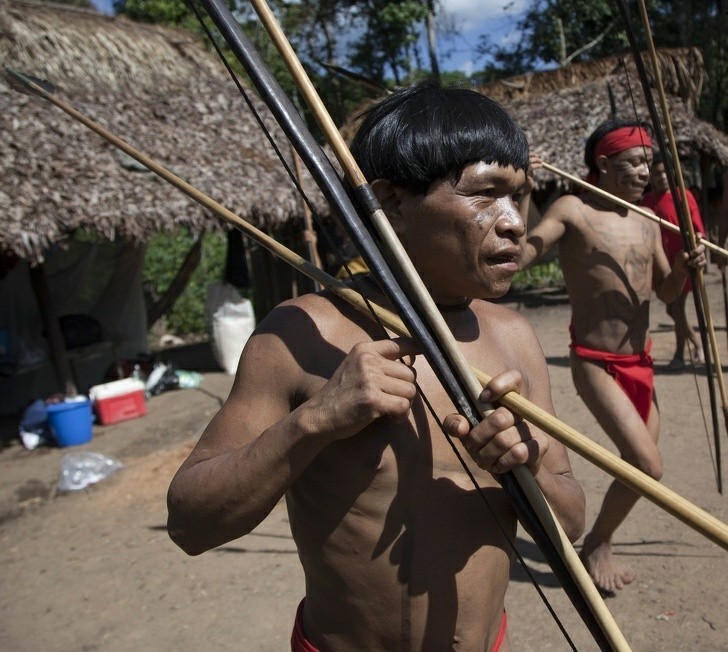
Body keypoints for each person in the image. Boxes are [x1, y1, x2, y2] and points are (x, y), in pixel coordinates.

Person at [166, 82, 585, 651]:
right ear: (391, 203)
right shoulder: (302, 334)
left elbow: (572, 521)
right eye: (486, 194)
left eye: (521, 195)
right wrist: (316, 420)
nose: (514, 221)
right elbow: (191, 522)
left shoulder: (511, 336)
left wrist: (523, 466)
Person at [518, 121, 706, 597]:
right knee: (648, 465)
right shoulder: (573, 210)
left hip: (641, 361)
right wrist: (522, 191)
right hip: (596, 361)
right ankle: (598, 541)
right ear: (602, 164)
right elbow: (521, 255)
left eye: (649, 162)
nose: (647, 172)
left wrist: (684, 266)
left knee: (638, 467)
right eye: (635, 163)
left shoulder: (647, 219)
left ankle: (599, 539)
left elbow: (665, 292)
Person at [642, 150, 706, 370]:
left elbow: (699, 231)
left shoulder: (683, 195)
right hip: (662, 266)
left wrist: (697, 250)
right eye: (656, 173)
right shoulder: (647, 201)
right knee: (672, 310)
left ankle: (682, 353)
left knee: (677, 309)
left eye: (663, 173)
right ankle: (696, 345)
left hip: (684, 263)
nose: (660, 177)